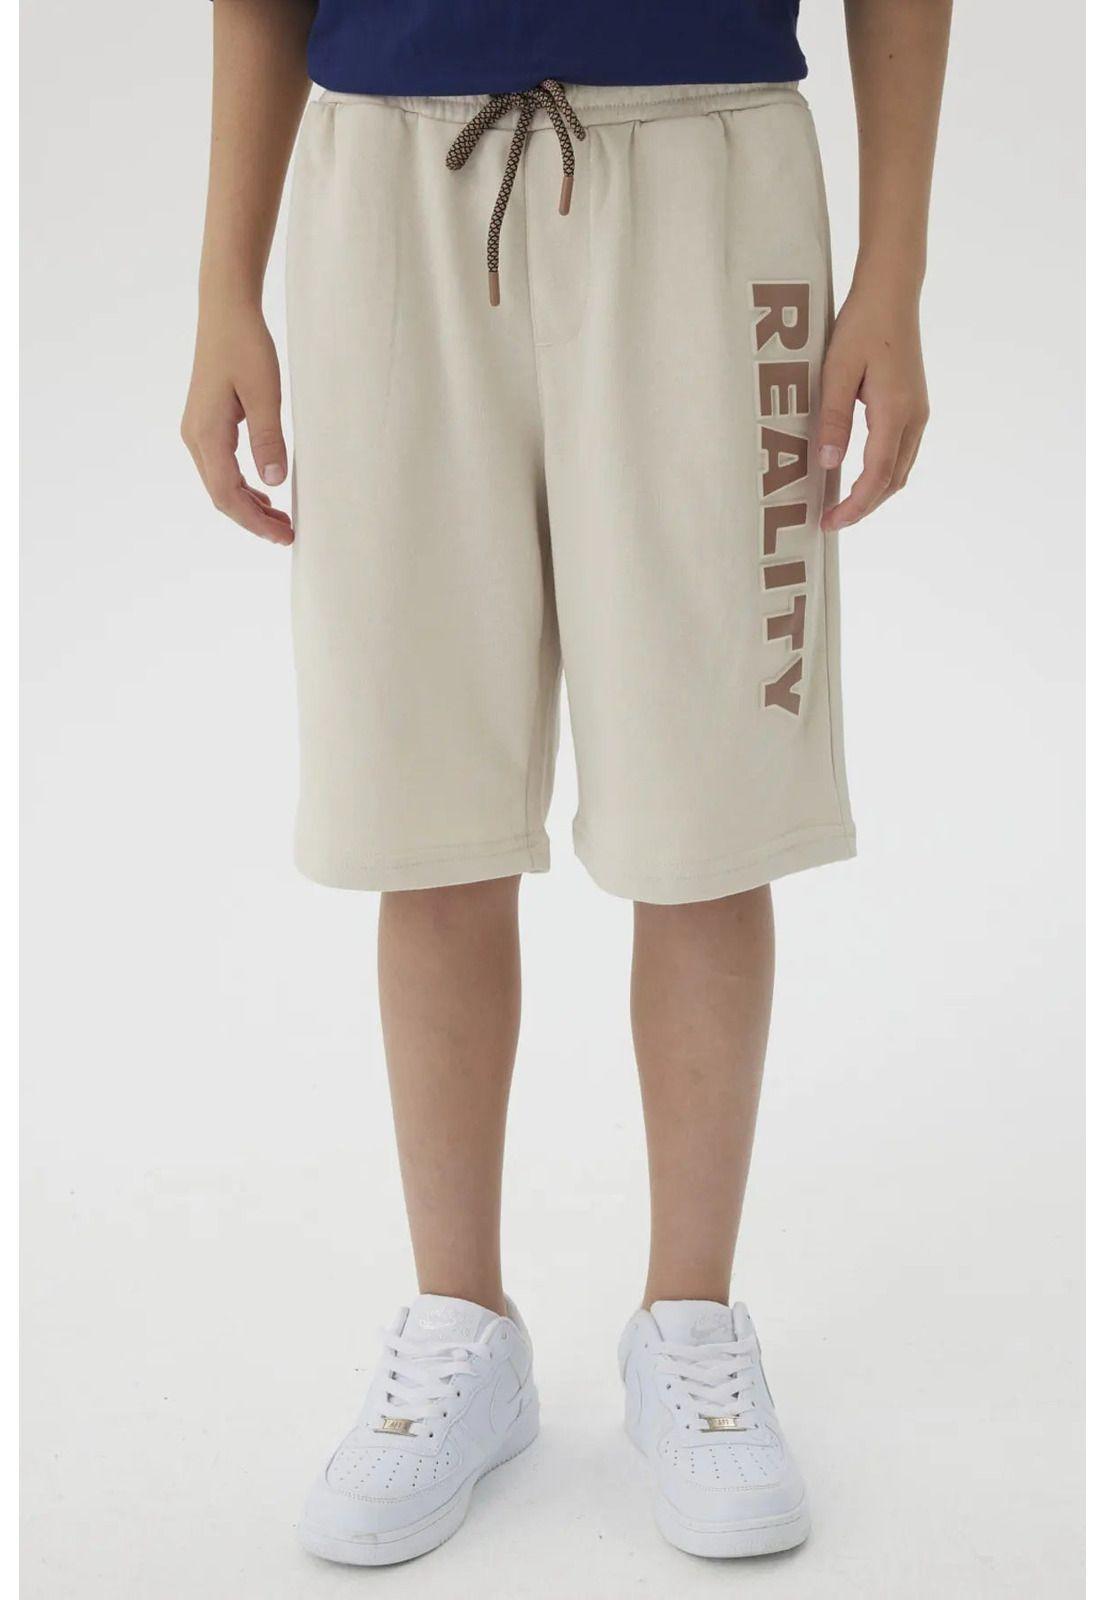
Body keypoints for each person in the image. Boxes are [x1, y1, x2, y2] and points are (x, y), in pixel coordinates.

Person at [182, 0, 951, 1567]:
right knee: (423, 805)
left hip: (707, 165)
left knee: (707, 808)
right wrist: (221, 291)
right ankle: (460, 1323)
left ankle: (691, 1323)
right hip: (386, 176)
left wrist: (896, 269)